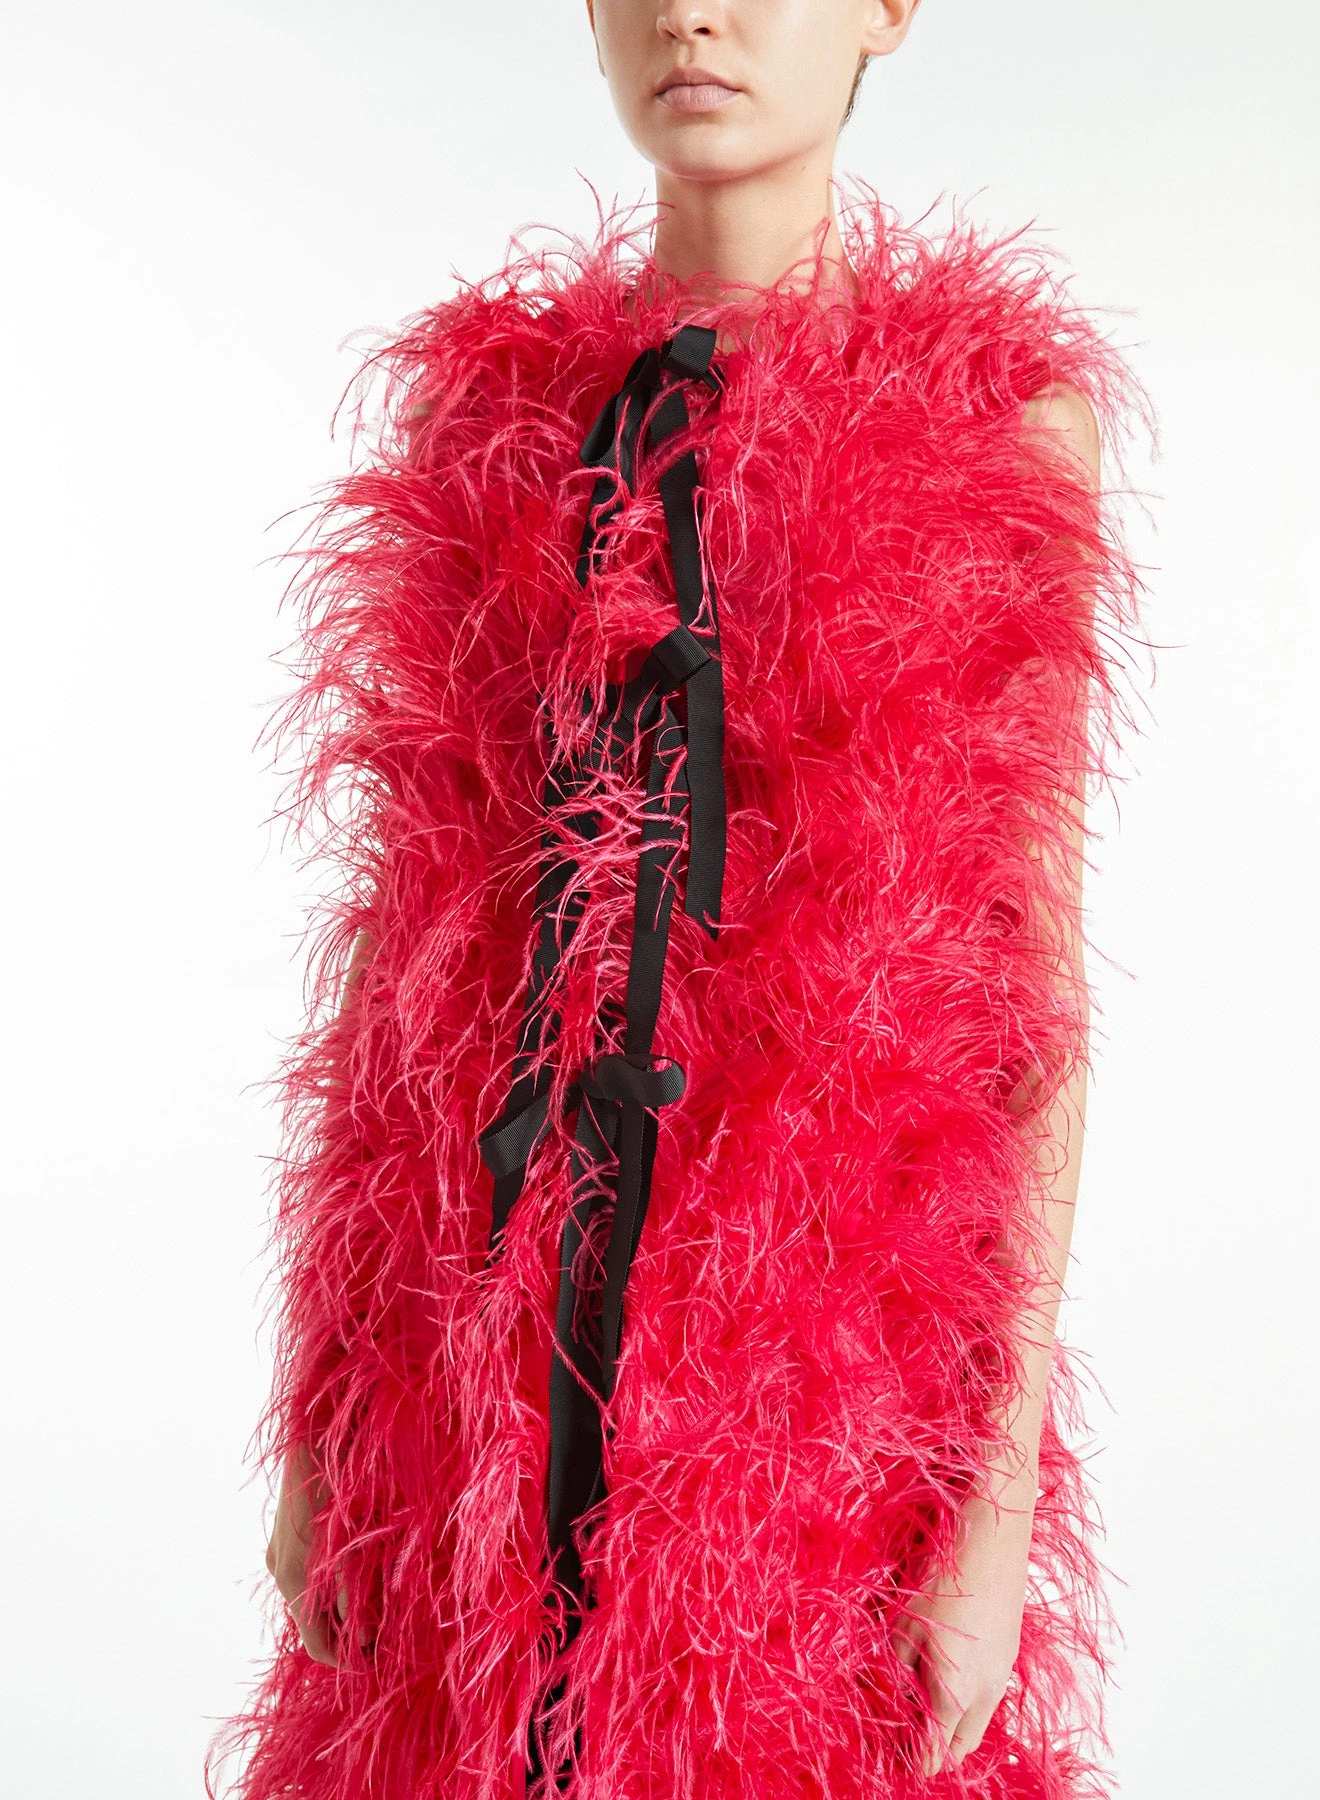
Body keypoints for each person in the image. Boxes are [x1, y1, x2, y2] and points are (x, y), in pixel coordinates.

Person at [220, 4, 1148, 1796]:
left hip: (819, 1399)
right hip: (468, 1368)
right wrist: (324, 1415)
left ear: (886, 8)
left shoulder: (998, 429)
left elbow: (1030, 1009)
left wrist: (991, 1513)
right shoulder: (483, 413)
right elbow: (398, 963)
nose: (690, 12)